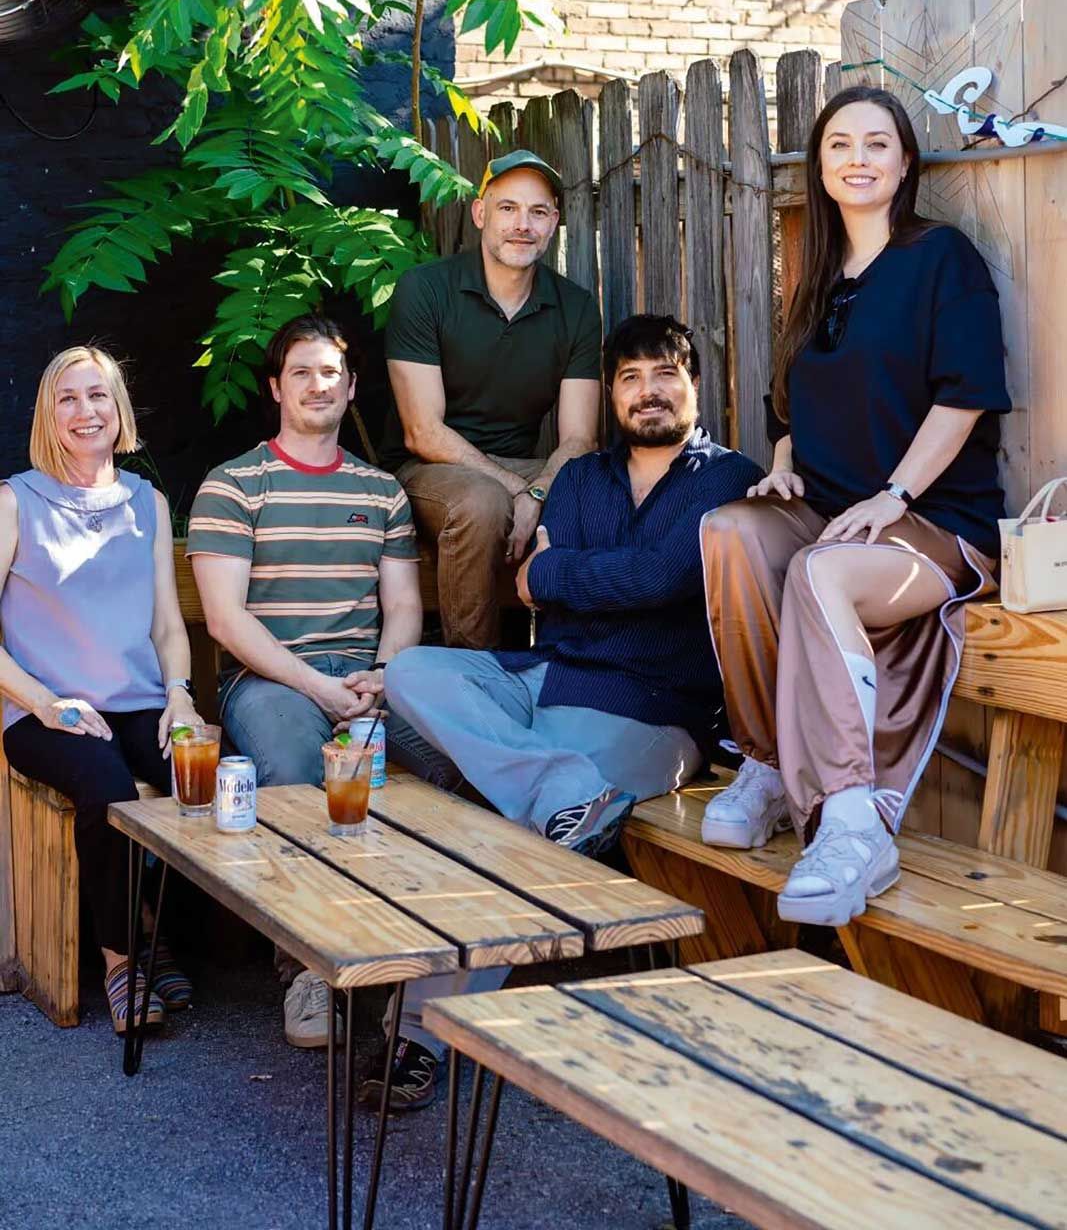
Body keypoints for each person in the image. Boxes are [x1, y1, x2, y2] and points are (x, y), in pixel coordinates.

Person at [367, 314, 761, 1110]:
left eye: (664, 375)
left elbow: (660, 579)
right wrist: (579, 579)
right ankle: (561, 793)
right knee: (411, 671)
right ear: (611, 393)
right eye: (630, 378)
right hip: (546, 678)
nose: (648, 392)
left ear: (693, 385)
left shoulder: (727, 479)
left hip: (650, 710)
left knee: (504, 828)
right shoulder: (579, 478)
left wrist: (563, 574)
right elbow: (531, 588)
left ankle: (416, 1035)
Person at [700, 85, 1009, 928]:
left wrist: (894, 494)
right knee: (728, 532)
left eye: (877, 144)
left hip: (935, 523)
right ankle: (768, 765)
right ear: (820, 165)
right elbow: (788, 408)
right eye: (840, 144)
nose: (858, 159)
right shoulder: (815, 277)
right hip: (830, 508)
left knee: (820, 571)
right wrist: (782, 464)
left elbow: (965, 396)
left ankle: (850, 822)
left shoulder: (940, 258)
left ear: (904, 164)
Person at [187, 314, 421, 1049]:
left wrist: (382, 678)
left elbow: (403, 607)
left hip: (368, 681)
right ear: (275, 388)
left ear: (350, 388)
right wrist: (320, 690)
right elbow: (225, 621)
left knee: (447, 765)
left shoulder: (382, 492)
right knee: (293, 772)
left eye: (330, 373)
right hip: (270, 680)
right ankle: (309, 971)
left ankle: (418, 964)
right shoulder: (233, 485)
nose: (317, 385)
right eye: (301, 373)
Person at [0, 346, 198, 1034]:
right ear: (47, 415)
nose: (85, 411)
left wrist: (181, 695)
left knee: (198, 775)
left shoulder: (147, 503)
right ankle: (120, 961)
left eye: (98, 396)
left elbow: (168, 625)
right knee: (108, 787)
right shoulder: (14, 501)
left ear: (119, 409)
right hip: (44, 711)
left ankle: (155, 931)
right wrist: (42, 701)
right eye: (68, 398)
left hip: (139, 700)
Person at [378, 149, 602, 648]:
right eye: (507, 208)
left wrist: (537, 492)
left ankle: (567, 667)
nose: (522, 225)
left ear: (553, 224)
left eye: (538, 212)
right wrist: (517, 490)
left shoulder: (576, 307)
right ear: (481, 213)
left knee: (597, 490)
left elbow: (579, 439)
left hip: (521, 467)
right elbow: (422, 432)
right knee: (482, 501)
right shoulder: (425, 289)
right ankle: (471, 674)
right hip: (428, 470)